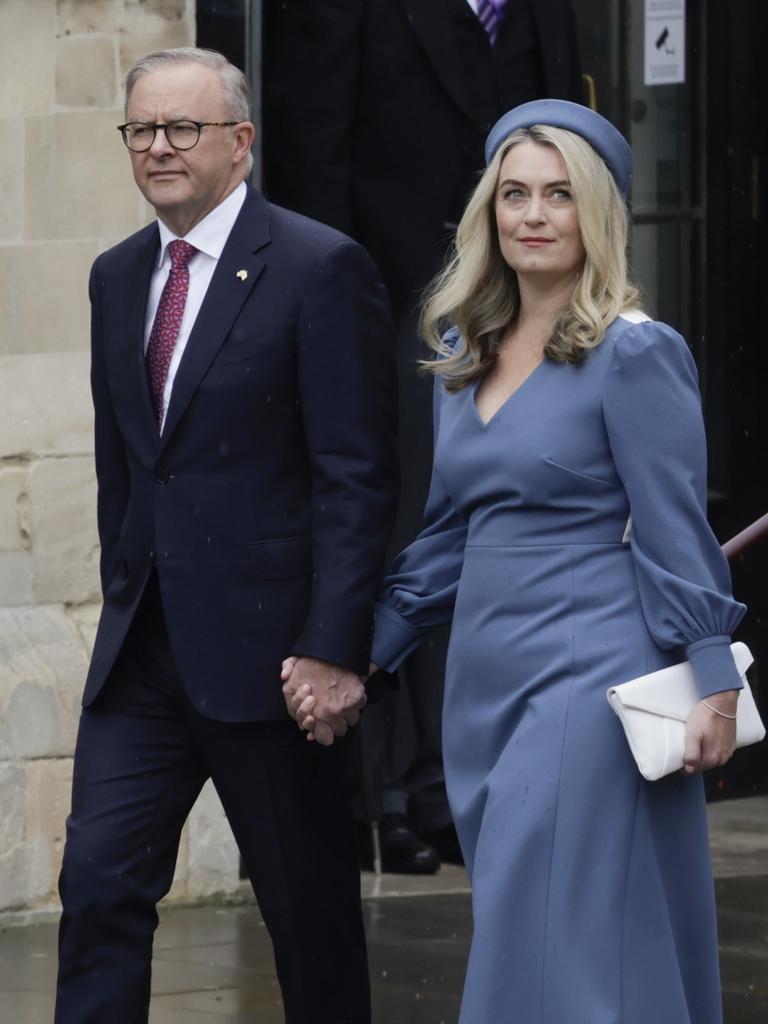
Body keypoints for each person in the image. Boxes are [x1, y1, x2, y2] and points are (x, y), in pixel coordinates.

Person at [284, 99, 746, 1022]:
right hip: (485, 683)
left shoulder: (634, 352)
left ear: (599, 214)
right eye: (515, 194)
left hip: (591, 672)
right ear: (488, 212)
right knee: (542, 920)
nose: (533, 215)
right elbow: (450, 533)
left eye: (560, 196)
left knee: (548, 929)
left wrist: (715, 685)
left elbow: (674, 526)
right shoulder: (463, 350)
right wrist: (364, 650)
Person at [54, 46, 397, 1024]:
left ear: (240, 145)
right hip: (144, 657)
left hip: (275, 659)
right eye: (141, 130)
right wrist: (127, 584)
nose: (158, 147)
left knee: (307, 916)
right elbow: (128, 467)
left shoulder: (320, 267)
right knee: (100, 888)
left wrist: (335, 648)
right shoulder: (116, 278)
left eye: (182, 129)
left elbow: (357, 475)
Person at [264, 0, 585, 873]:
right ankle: (382, 794)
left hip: (529, 314)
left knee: (491, 531)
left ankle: (453, 785)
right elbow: (316, 149)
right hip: (392, 307)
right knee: (401, 534)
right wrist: (336, 318)